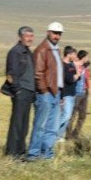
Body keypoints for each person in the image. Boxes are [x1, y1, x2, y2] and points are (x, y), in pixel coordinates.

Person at [27, 22, 64, 161]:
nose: (57, 36)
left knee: (52, 127)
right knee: (40, 125)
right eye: (54, 33)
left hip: (56, 92)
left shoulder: (56, 49)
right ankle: (33, 154)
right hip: (46, 93)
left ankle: (46, 153)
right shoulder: (42, 49)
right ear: (48, 32)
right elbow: (38, 73)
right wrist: (44, 91)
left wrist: (61, 93)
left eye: (59, 33)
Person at [5, 26, 35, 159]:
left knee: (24, 124)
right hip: (21, 90)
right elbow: (11, 73)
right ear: (20, 37)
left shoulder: (28, 52)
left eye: (31, 36)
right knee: (17, 123)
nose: (30, 38)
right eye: (27, 36)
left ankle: (21, 151)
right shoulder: (16, 51)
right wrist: (16, 90)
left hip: (29, 91)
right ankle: (12, 153)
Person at [57, 45, 80, 140]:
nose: (75, 56)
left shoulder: (71, 64)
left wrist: (77, 73)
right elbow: (69, 79)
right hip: (65, 94)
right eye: (74, 54)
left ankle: (59, 136)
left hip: (72, 93)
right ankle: (53, 132)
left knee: (68, 116)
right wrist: (77, 75)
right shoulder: (63, 65)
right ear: (68, 54)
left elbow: (77, 78)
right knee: (65, 116)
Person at [67, 50, 90, 140]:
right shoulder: (75, 66)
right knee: (72, 116)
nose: (87, 59)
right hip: (76, 93)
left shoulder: (84, 67)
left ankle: (75, 134)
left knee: (82, 116)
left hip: (84, 92)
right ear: (83, 57)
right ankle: (68, 136)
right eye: (86, 57)